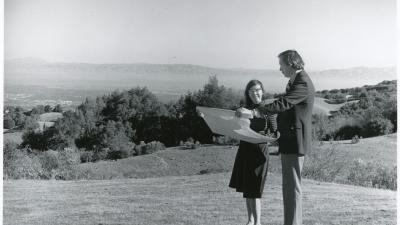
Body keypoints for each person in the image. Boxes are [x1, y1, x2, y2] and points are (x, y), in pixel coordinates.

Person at [236, 50, 315, 225]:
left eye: (281, 65)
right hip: (289, 142)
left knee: (292, 189)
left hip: (296, 143)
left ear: (291, 63)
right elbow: (283, 105)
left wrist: (255, 111)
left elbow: (284, 103)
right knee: (288, 188)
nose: (280, 69)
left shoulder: (302, 82)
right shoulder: (293, 82)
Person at [229, 79, 278, 225]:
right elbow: (233, 124)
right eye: (252, 91)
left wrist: (267, 136)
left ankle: (257, 223)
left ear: (262, 91)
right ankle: (250, 221)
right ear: (248, 94)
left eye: (258, 90)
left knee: (255, 190)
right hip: (245, 149)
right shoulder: (243, 109)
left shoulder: (269, 108)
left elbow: (274, 133)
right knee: (247, 189)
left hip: (259, 150)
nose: (255, 93)